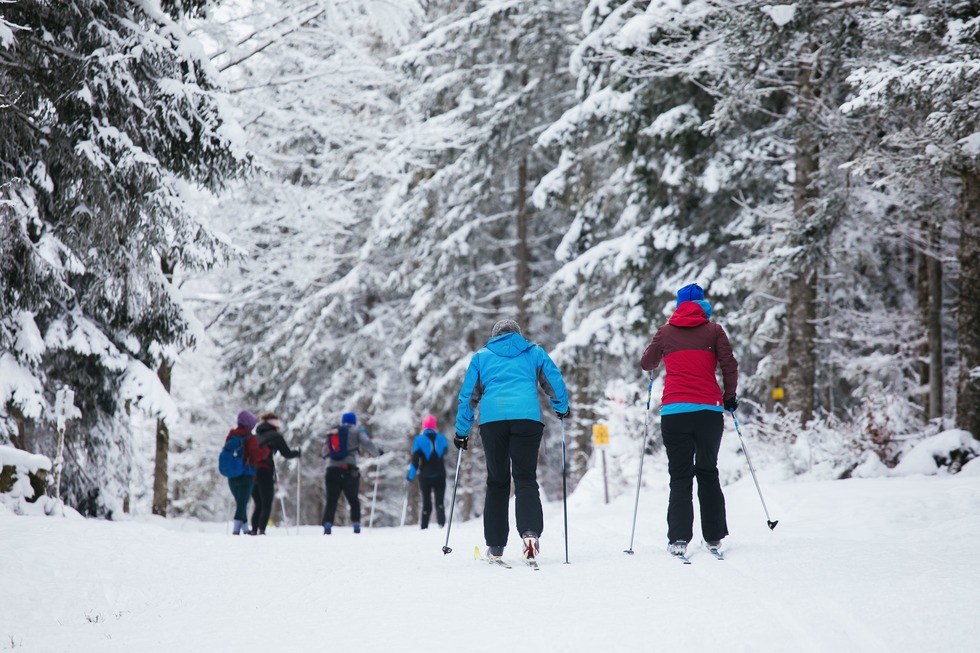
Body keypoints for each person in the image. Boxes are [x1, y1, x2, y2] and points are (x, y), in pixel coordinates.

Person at [454, 319, 569, 563]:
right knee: (525, 478)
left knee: (497, 482)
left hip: (493, 422)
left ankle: (495, 546)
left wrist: (462, 431)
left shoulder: (481, 357)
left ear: (494, 336)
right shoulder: (533, 352)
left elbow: (468, 396)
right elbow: (554, 380)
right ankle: (529, 534)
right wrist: (561, 407)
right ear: (518, 334)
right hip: (527, 419)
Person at [640, 283, 739, 558]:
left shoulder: (665, 331)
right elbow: (729, 364)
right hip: (709, 411)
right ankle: (714, 537)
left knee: (680, 475)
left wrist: (660, 352)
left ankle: (679, 539)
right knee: (708, 471)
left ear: (678, 305)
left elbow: (647, 363)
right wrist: (729, 396)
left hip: (675, 413)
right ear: (702, 304)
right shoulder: (714, 331)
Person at [320, 412, 381, 534]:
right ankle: (356, 525)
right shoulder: (356, 431)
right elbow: (367, 443)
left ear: (343, 422)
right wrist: (377, 453)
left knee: (331, 500)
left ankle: (327, 525)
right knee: (353, 499)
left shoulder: (334, 432)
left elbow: (324, 452)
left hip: (331, 471)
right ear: (354, 422)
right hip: (348, 470)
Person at [249, 412, 301, 535]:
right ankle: (262, 530)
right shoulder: (274, 436)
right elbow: (286, 453)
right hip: (265, 471)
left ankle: (254, 530)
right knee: (266, 503)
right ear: (274, 424)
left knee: (258, 504)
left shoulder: (254, 436)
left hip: (251, 472)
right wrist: (297, 453)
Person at [225, 410, 269, 535]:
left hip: (232, 474)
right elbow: (257, 454)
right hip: (246, 474)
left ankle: (244, 528)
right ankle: (236, 530)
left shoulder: (232, 435)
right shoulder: (250, 438)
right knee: (243, 502)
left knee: (240, 501)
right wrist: (266, 449)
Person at [406, 414, 449, 529]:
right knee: (439, 502)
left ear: (424, 426)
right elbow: (445, 452)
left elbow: (415, 461)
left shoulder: (418, 440)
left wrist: (410, 476)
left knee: (426, 501)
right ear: (434, 426)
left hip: (425, 475)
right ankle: (441, 525)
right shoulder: (442, 438)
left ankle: (424, 527)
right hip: (440, 473)